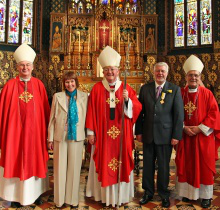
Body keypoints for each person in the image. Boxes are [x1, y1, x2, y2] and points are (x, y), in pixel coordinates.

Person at [85, 46, 142, 207]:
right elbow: (90, 111)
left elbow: (136, 109)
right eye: (107, 69)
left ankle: (121, 195)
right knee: (103, 161)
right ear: (102, 71)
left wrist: (127, 101)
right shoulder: (96, 89)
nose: (110, 72)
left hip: (121, 136)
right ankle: (102, 195)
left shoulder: (126, 89)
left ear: (118, 71)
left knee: (121, 161)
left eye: (113, 69)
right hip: (102, 135)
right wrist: (90, 132)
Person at [0, 43, 50, 207]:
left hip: (35, 135)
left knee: (34, 161)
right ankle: (13, 196)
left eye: (27, 65)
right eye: (22, 65)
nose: (25, 67)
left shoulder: (39, 85)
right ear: (17, 66)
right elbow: (2, 113)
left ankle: (34, 195)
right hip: (14, 136)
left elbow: (45, 111)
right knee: (14, 160)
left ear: (33, 66)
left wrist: (47, 133)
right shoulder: (9, 86)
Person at [135, 62, 184, 208]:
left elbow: (179, 114)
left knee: (164, 167)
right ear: (153, 72)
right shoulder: (145, 89)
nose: (160, 74)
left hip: (166, 135)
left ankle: (164, 194)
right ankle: (148, 193)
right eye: (157, 71)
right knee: (148, 166)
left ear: (167, 73)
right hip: (148, 134)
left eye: (162, 71)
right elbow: (139, 113)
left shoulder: (174, 89)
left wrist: (176, 135)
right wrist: (138, 131)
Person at [175, 55, 220, 208]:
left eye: (196, 75)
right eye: (190, 75)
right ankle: (188, 194)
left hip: (203, 138)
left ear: (200, 77)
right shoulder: (180, 93)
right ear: (186, 76)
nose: (193, 77)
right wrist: (183, 127)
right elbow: (173, 113)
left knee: (204, 166)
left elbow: (214, 114)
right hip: (185, 136)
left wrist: (200, 128)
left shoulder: (207, 94)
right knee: (187, 164)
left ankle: (206, 196)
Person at [48, 72, 88, 208]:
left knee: (74, 168)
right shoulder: (57, 96)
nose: (69, 84)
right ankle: (59, 200)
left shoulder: (84, 96)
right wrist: (50, 138)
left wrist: (89, 134)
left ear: (76, 82)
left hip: (76, 136)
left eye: (72, 82)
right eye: (67, 82)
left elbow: (87, 117)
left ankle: (73, 200)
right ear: (63, 83)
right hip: (60, 135)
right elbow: (52, 119)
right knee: (59, 168)